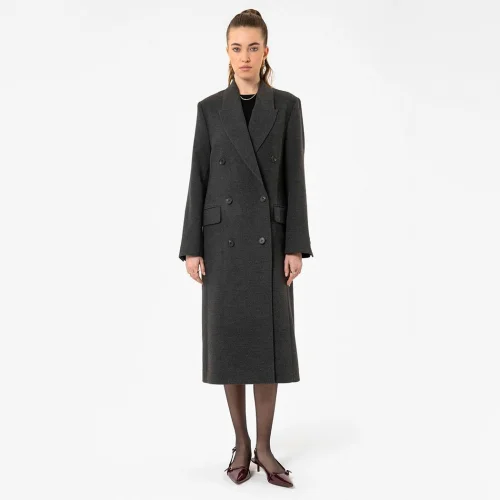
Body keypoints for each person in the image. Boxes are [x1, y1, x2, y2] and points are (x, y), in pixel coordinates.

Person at [178, 9, 313, 488]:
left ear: (266, 51)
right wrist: (192, 247)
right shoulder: (209, 109)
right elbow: (198, 179)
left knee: (268, 345)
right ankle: (240, 443)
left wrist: (295, 245)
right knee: (231, 345)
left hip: (269, 244)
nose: (245, 57)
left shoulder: (288, 106)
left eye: (253, 47)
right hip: (222, 244)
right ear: (227, 52)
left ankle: (265, 447)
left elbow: (295, 180)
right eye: (237, 48)